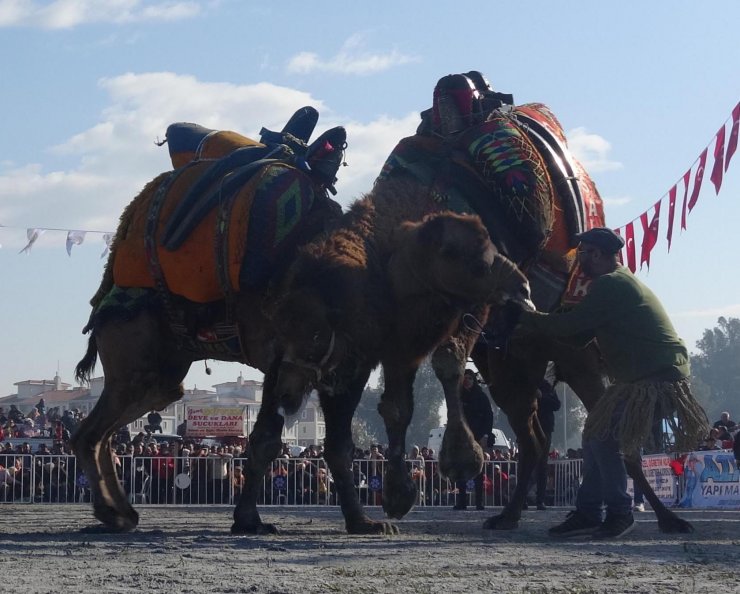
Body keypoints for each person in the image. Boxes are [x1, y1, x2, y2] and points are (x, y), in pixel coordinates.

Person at [513, 227, 708, 539]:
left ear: (598, 255)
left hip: (655, 381)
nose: (578, 262)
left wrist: (525, 315)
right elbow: (577, 337)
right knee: (594, 438)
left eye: (582, 254)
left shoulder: (610, 285)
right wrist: (542, 324)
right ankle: (589, 511)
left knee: (602, 438)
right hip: (648, 377)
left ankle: (619, 512)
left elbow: (571, 327)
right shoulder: (617, 283)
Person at [453, 369, 494, 511]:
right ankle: (462, 502)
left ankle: (479, 502)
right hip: (462, 437)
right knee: (461, 470)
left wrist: (486, 435)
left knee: (478, 470)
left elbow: (489, 417)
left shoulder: (481, 397)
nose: (467, 380)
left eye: (470, 378)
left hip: (478, 437)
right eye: (465, 378)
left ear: (473, 380)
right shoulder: (459, 396)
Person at [531, 375, 561, 510]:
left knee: (542, 464)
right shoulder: (526, 382)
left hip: (545, 427)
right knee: (527, 463)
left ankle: (540, 499)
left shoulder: (548, 387)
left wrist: (541, 397)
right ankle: (522, 497)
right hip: (528, 427)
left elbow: (556, 404)